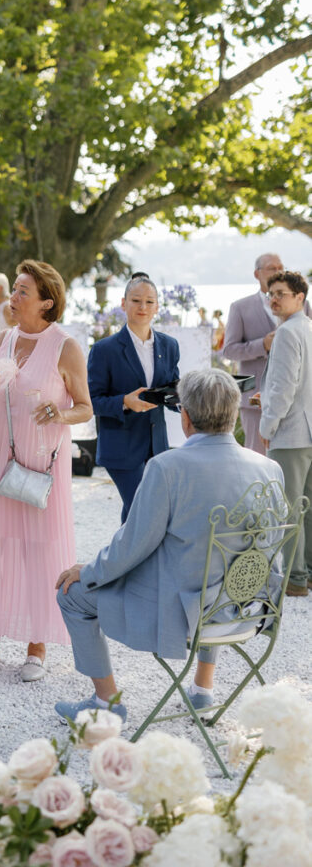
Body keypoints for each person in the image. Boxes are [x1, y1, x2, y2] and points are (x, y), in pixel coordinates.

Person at [54, 369, 285, 722]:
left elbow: (131, 547)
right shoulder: (269, 469)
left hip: (183, 613)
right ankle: (202, 691)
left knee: (71, 594)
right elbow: (271, 553)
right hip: (246, 608)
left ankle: (106, 704)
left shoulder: (167, 467)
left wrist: (88, 571)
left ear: (186, 418)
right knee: (214, 568)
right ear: (235, 414)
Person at [0, 260, 93, 682]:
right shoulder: (3, 339)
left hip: (42, 461)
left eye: (23, 291)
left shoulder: (65, 346)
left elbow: (85, 407)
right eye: (13, 288)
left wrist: (60, 414)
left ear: (47, 301)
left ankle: (37, 644)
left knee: (39, 547)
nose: (13, 297)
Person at [87, 275, 180, 521]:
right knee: (144, 509)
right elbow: (91, 401)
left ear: (158, 307)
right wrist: (124, 402)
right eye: (136, 300)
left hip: (156, 446)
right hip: (121, 447)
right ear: (123, 303)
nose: (143, 307)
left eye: (150, 302)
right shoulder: (104, 350)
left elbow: (171, 391)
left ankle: (125, 558)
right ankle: (127, 558)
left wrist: (184, 398)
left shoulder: (170, 346)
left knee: (136, 514)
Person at [259, 270, 312, 598]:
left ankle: (294, 578)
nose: (273, 299)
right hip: (308, 432)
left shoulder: (288, 333)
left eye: (280, 293)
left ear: (300, 297)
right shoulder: (307, 328)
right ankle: (306, 572)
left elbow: (282, 388)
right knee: (308, 505)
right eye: (270, 294)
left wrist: (267, 426)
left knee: (291, 507)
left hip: (291, 433)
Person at [222, 253, 283, 454]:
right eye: (272, 268)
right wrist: (262, 345)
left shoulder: (301, 305)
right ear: (257, 274)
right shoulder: (240, 307)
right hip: (255, 399)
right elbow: (229, 350)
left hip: (292, 399)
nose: (278, 272)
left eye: (280, 267)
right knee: (257, 457)